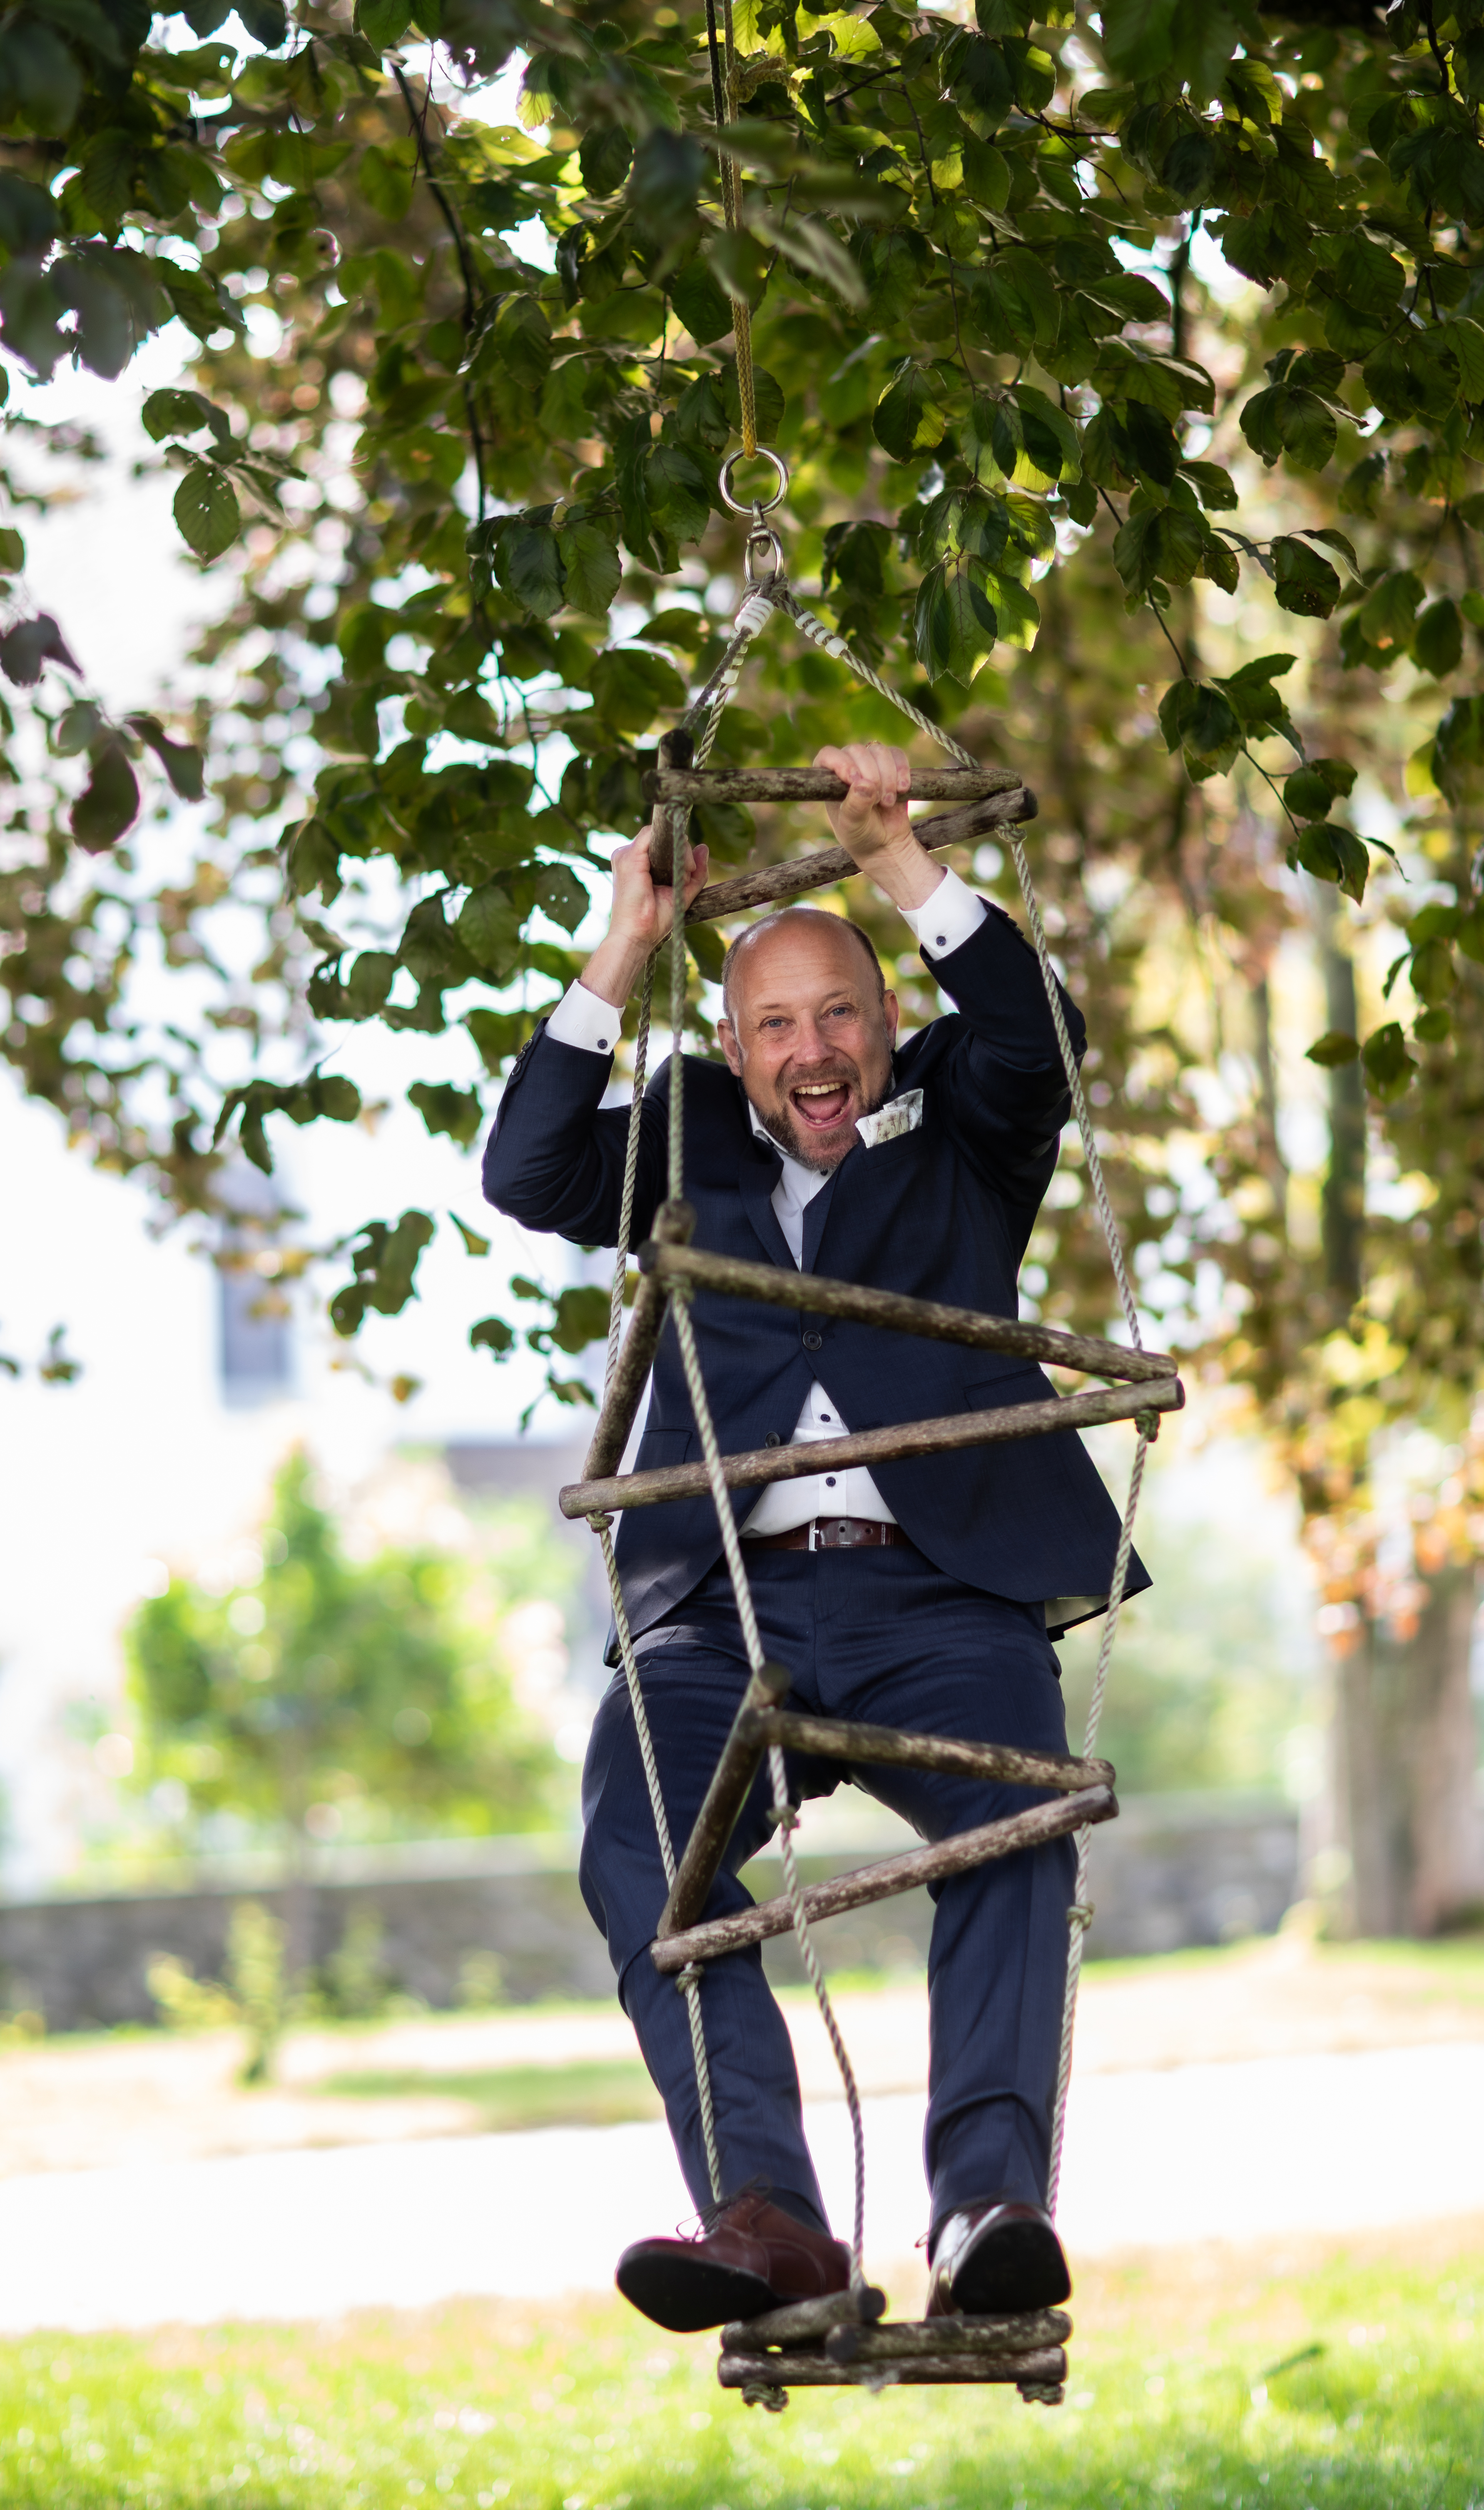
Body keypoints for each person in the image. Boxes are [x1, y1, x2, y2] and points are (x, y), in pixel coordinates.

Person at [482, 742, 1145, 2332]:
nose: (812, 1047)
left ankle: (988, 2202)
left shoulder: (969, 1133)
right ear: (732, 1045)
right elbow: (525, 1168)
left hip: (945, 1593)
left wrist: (899, 861)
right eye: (774, 1023)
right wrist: (626, 940)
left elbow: (1039, 1036)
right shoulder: (690, 1140)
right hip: (724, 1604)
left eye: (839, 1011)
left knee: (1019, 1821)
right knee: (641, 1834)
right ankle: (768, 2213)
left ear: (888, 1018)